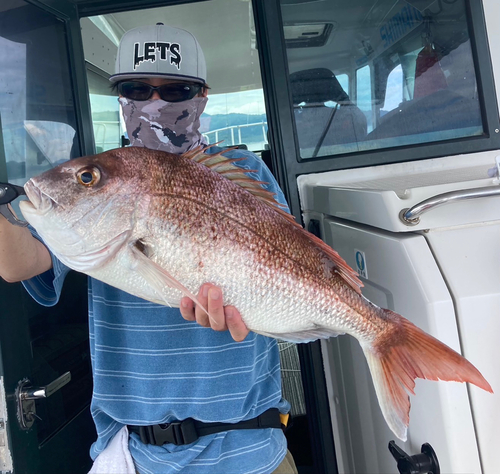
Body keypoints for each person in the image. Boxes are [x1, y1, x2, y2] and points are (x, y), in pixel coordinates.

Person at [0, 23, 298, 474]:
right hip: (139, 457)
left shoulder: (244, 170)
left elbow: (289, 271)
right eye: (137, 88)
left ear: (201, 96)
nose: (154, 103)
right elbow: (16, 264)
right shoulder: (94, 188)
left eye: (175, 90)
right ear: (119, 97)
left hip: (252, 449)